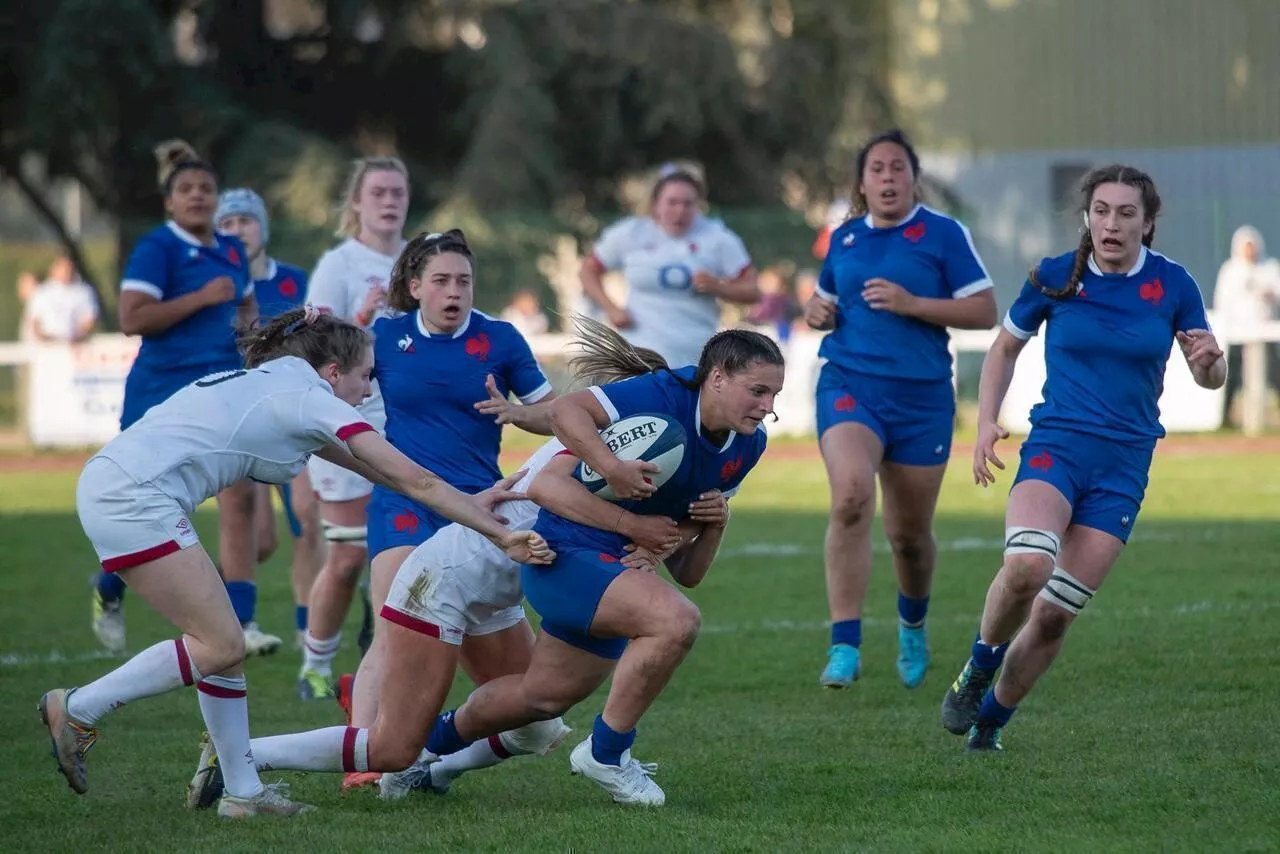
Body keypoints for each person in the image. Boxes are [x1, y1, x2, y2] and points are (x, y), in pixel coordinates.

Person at [39, 307, 552, 818]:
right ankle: (79, 708)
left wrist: (473, 501)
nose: (370, 391)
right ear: (333, 372)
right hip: (133, 498)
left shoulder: (285, 382)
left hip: (122, 486)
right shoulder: (310, 401)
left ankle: (242, 794)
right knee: (221, 643)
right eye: (365, 376)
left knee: (224, 649)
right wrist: (498, 533)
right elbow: (416, 481)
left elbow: (391, 475)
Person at [184, 320, 679, 807]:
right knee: (391, 747)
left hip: (496, 594)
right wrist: (634, 534)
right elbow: (557, 483)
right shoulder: (607, 442)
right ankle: (238, 756)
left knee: (538, 725)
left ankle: (434, 769)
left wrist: (695, 527)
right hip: (445, 580)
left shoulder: (646, 450)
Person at [419, 326, 784, 807]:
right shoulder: (662, 395)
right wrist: (613, 474)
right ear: (716, 378)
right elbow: (550, 472)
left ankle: (424, 752)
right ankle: (607, 755)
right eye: (757, 390)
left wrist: (709, 526)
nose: (767, 406)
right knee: (676, 620)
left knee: (542, 697)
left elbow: (689, 569)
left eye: (774, 394)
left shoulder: (747, 447)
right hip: (564, 554)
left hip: (614, 573)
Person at [940, 165, 1226, 752]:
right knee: (1026, 567)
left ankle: (989, 724)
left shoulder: (1174, 285)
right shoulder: (1055, 276)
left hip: (1123, 468)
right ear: (1087, 217)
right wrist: (985, 421)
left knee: (1053, 616)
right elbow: (1004, 348)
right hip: (1056, 447)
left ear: (1148, 224)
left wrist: (1209, 364)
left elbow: (1211, 374)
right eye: (1101, 211)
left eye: (1126, 214)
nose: (1112, 224)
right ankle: (976, 671)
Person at [340, 228, 557, 789]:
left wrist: (518, 413)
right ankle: (364, 755)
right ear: (415, 287)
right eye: (440, 280)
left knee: (539, 709)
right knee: (394, 616)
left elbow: (561, 417)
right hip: (405, 499)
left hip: (481, 508)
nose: (453, 290)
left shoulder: (502, 340)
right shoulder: (383, 338)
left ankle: (435, 757)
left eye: (463, 280)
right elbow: (337, 395)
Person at [803, 129, 997, 691]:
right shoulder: (843, 240)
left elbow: (985, 310)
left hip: (921, 397)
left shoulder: (943, 234)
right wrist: (817, 312)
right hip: (849, 384)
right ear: (862, 183)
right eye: (877, 170)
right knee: (851, 498)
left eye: (897, 168)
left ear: (913, 177)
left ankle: (912, 626)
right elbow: (826, 303)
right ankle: (845, 645)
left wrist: (914, 304)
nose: (887, 178)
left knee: (909, 536)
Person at [90, 141, 261, 657]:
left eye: (206, 189)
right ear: (169, 202)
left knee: (242, 496)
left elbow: (246, 304)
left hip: (222, 392)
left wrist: (257, 339)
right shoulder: (156, 249)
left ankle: (243, 621)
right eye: (185, 189)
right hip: (161, 394)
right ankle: (108, 589)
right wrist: (200, 299)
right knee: (150, 506)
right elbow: (130, 319)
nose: (197, 196)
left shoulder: (231, 251)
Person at [299, 156, 410, 699]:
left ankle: (382, 656)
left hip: (407, 422)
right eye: (379, 192)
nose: (390, 201)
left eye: (398, 192)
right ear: (358, 203)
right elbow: (312, 345)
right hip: (349, 419)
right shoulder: (340, 264)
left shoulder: (419, 260)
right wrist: (362, 316)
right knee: (346, 556)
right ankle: (315, 664)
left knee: (402, 550)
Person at [216, 188, 321, 651]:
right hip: (237, 416)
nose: (239, 230)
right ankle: (241, 624)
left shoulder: (295, 280)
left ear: (263, 227)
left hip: (289, 415)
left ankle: (306, 626)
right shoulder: (214, 284)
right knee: (250, 530)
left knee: (304, 519)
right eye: (229, 223)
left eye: (246, 220)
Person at [579, 164, 761, 368]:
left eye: (688, 204)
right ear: (656, 204)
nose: (680, 211)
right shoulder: (631, 233)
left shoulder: (718, 238)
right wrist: (611, 309)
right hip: (639, 354)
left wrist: (718, 287)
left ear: (699, 205)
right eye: (672, 202)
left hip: (694, 355)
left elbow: (753, 291)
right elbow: (588, 270)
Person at [1213, 225, 1280, 425]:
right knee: (1232, 377)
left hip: (1264, 332)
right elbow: (1221, 301)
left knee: (1274, 374)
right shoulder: (1230, 271)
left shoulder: (1269, 268)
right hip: (1238, 333)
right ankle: (1225, 418)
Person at [23, 257, 99, 343]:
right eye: (63, 270)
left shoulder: (84, 291)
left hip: (75, 345)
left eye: (68, 270)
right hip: (47, 345)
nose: (66, 273)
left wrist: (77, 337)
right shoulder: (42, 293)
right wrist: (44, 340)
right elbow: (33, 321)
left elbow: (90, 318)